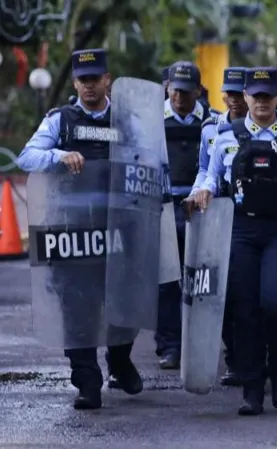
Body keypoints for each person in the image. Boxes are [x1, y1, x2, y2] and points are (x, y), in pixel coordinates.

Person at [187, 66, 277, 415]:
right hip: (239, 231)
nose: (262, 102)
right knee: (244, 309)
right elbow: (210, 175)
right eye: (256, 95)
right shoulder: (225, 136)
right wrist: (201, 192)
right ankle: (252, 387)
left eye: (268, 95)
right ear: (246, 97)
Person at [16, 49, 144, 409]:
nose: (89, 86)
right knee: (76, 306)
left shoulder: (125, 119)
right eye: (83, 79)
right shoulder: (61, 120)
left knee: (121, 299)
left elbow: (144, 161)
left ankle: (120, 361)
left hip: (117, 227)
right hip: (71, 230)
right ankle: (87, 380)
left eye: (96, 78)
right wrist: (59, 156)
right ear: (75, 83)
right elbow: (26, 157)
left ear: (108, 80)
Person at [189, 66, 249, 386]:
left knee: (249, 291)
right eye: (230, 93)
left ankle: (255, 355)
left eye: (240, 93)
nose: (234, 99)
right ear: (222, 94)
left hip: (253, 216)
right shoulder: (211, 129)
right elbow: (204, 170)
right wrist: (198, 192)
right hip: (220, 215)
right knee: (221, 291)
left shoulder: (264, 127)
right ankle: (234, 358)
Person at [157, 61, 215, 370]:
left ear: (197, 90)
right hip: (162, 207)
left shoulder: (213, 121)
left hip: (200, 209)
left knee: (200, 279)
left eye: (186, 92)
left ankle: (199, 342)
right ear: (168, 89)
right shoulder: (151, 120)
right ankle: (169, 346)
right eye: (175, 91)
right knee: (167, 281)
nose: (179, 98)